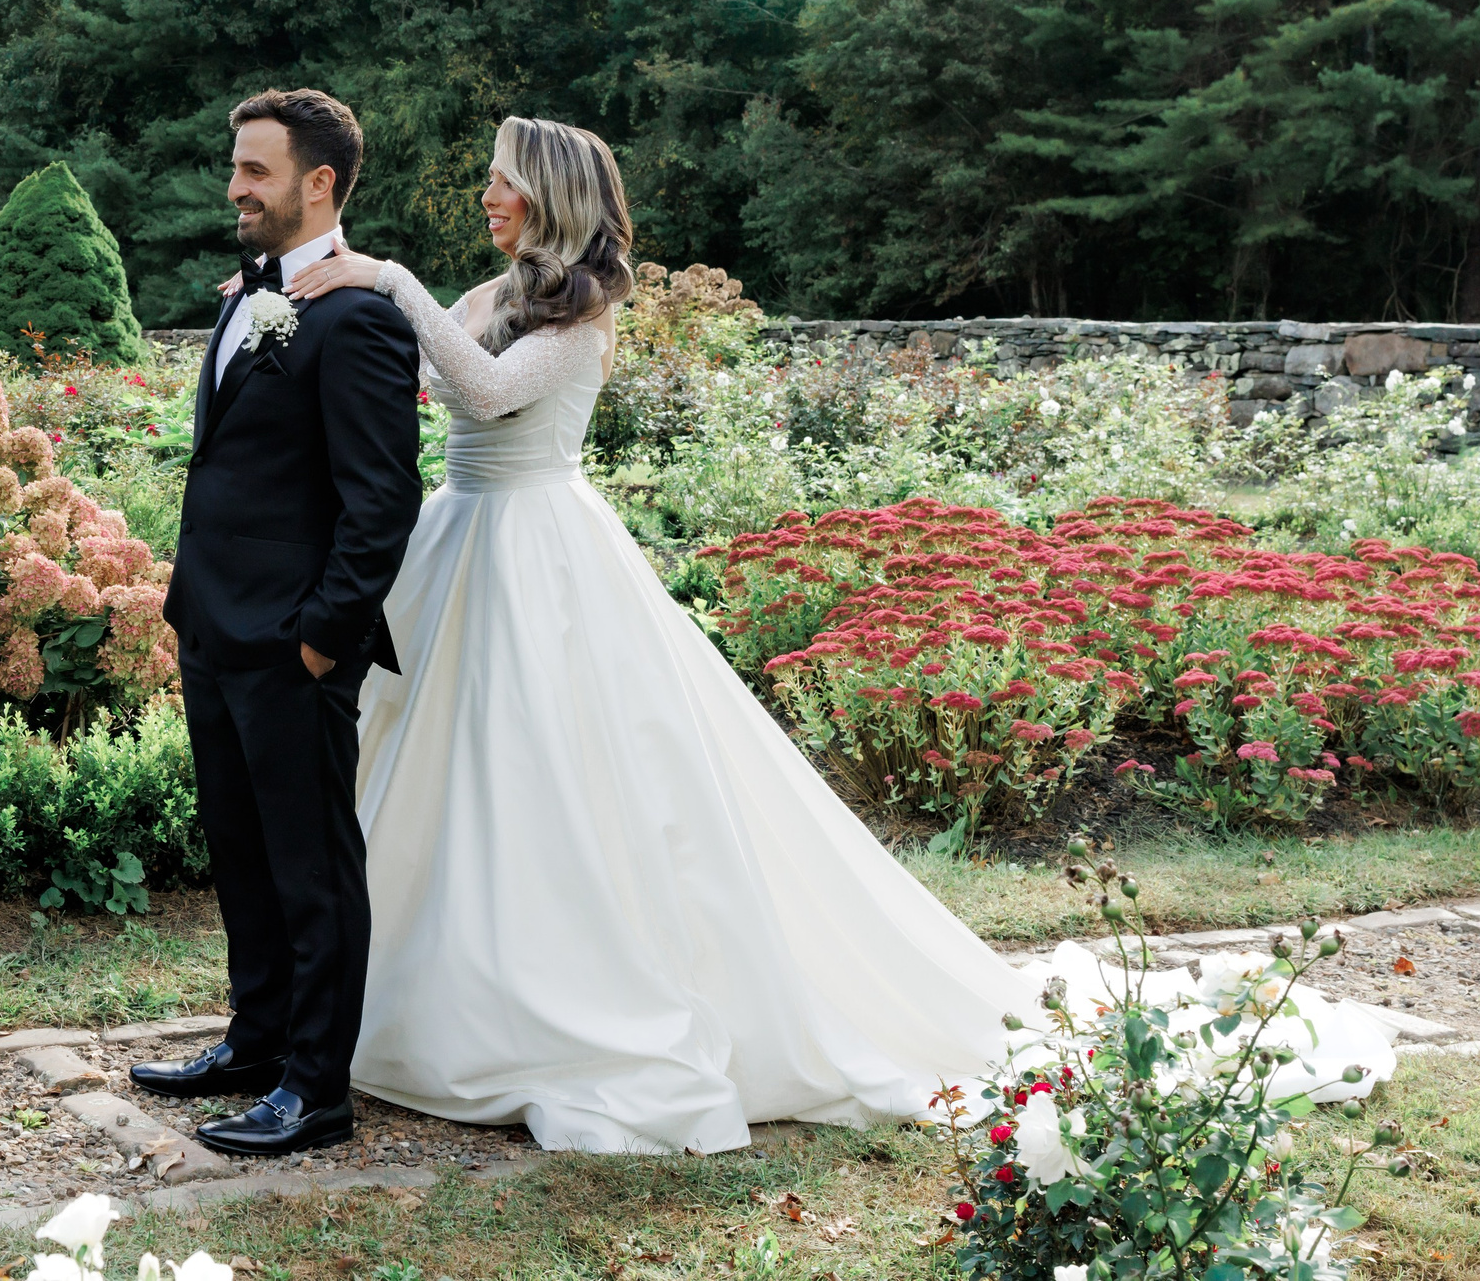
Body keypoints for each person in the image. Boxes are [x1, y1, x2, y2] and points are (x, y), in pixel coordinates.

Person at [284, 116, 1391, 1153]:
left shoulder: (581, 317)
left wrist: (385, 277)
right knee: (444, 774)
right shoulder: (487, 291)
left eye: (501, 180)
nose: (486, 194)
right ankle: (415, 988)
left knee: (547, 777)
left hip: (538, 555)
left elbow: (479, 392)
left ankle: (553, 1003)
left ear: (548, 196)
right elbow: (434, 376)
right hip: (458, 540)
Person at [140, 88, 424, 1158]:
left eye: (255, 171)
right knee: (241, 852)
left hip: (292, 646)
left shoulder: (357, 319)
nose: (234, 188)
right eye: (235, 166)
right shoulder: (249, 291)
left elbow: (380, 499)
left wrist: (319, 638)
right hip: (211, 626)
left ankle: (316, 1088)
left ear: (319, 183)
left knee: (310, 869)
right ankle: (255, 1042)